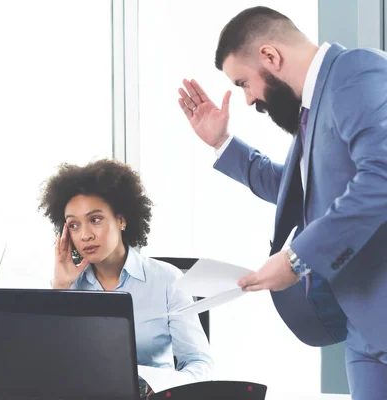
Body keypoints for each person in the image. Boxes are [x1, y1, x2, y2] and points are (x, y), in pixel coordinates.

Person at [178, 6, 387, 399]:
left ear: (270, 57)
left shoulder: (356, 73)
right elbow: (299, 191)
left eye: (243, 83)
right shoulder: (312, 109)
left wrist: (296, 259)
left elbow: (383, 178)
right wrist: (222, 143)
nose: (248, 98)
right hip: (363, 327)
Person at [39, 159, 213, 392]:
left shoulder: (166, 280)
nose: (85, 235)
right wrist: (61, 286)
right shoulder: (69, 286)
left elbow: (199, 364)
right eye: (74, 225)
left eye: (95, 220)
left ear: (121, 219)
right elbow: (48, 366)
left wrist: (165, 387)